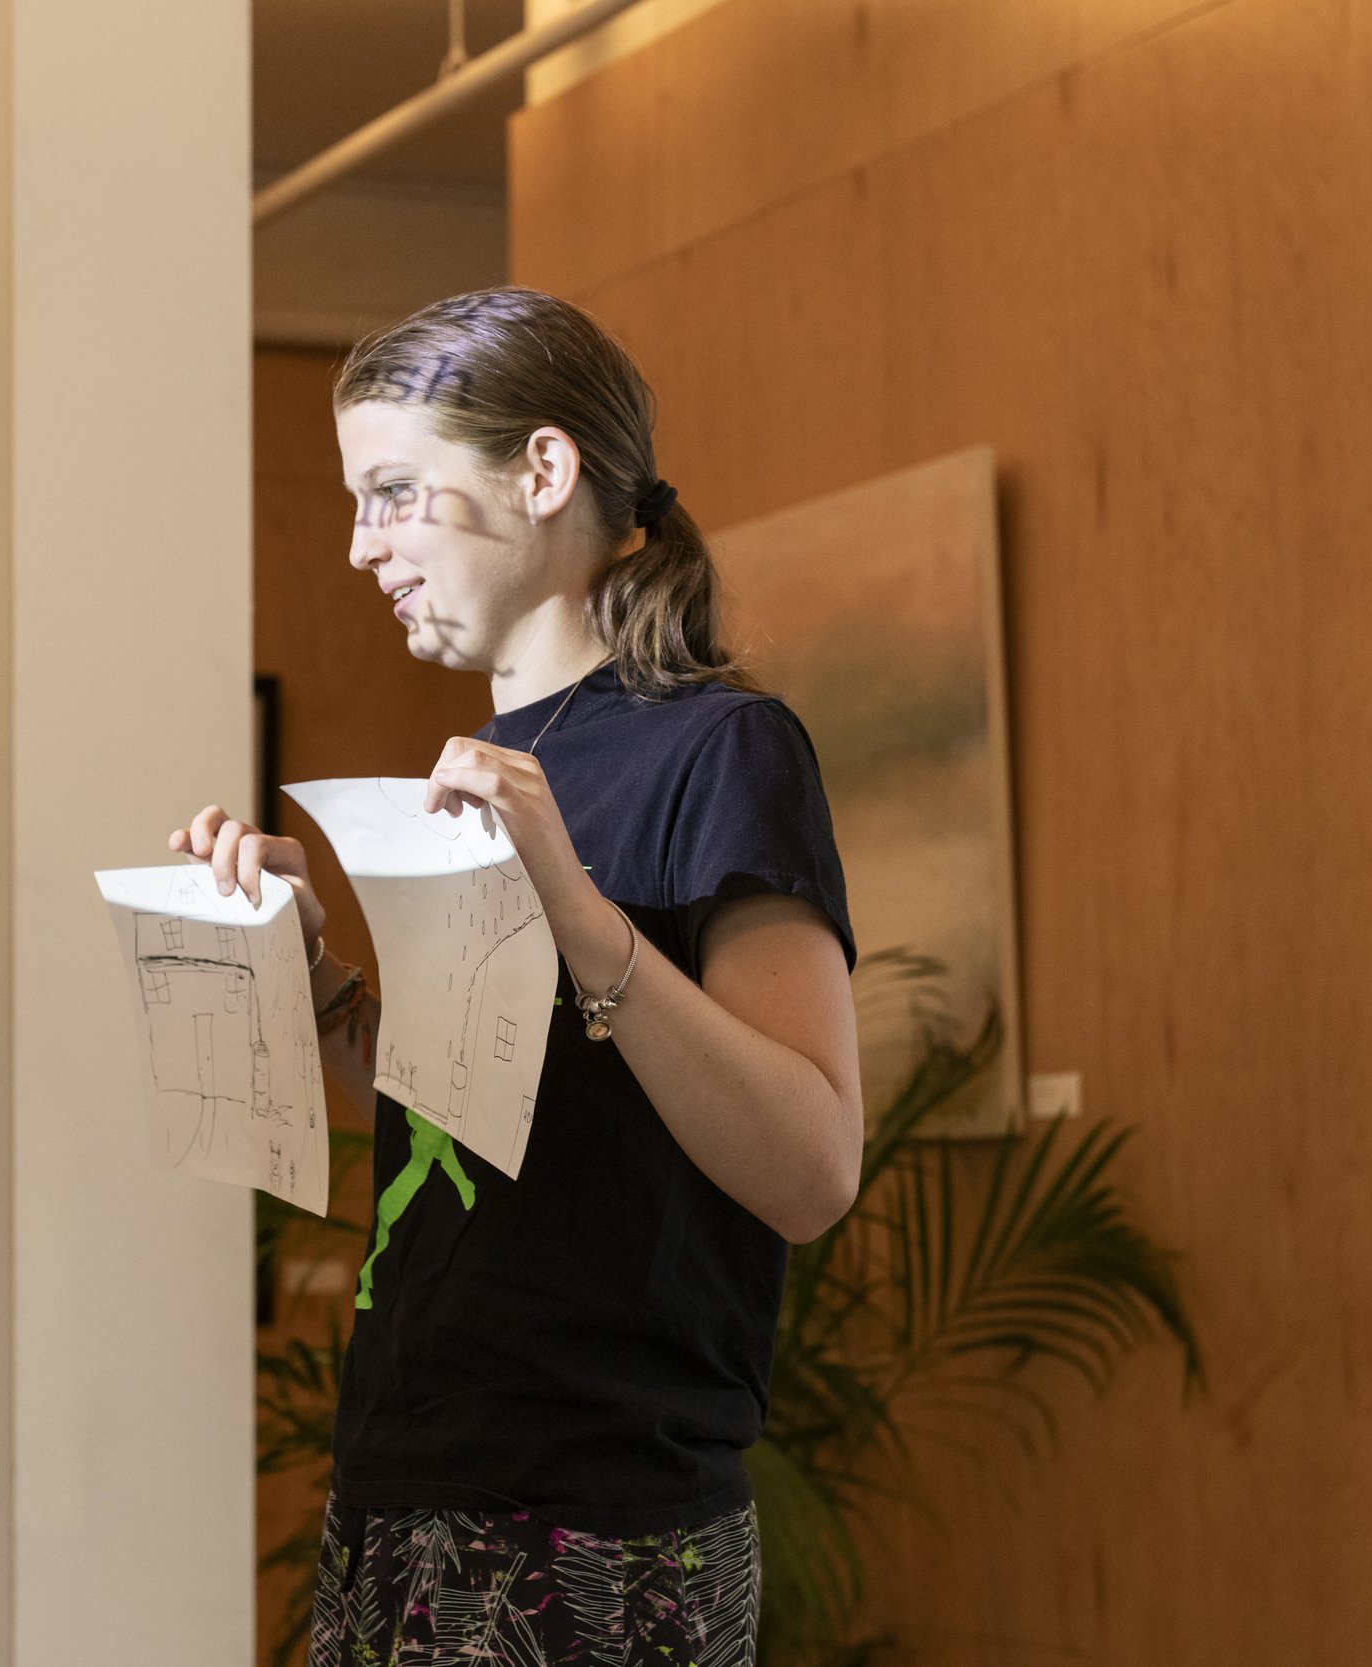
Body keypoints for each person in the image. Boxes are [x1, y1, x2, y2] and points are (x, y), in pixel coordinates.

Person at [169, 286, 863, 1666]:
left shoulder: (721, 751)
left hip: (593, 1522)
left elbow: (813, 1166)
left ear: (542, 473)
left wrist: (587, 920)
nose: (362, 546)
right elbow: (481, 1111)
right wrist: (313, 983)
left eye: (395, 494)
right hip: (402, 1489)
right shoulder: (481, 771)